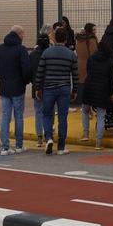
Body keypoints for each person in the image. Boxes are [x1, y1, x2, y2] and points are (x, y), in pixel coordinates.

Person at [34, 27, 78, 155]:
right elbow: (75, 74)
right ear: (65, 39)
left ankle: (48, 138)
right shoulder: (71, 54)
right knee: (63, 117)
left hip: (48, 88)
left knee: (47, 114)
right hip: (64, 88)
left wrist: (38, 88)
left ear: (54, 38)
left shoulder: (47, 53)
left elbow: (40, 72)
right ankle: (61, 147)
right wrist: (74, 90)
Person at [0, 25, 31, 155]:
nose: (24, 37)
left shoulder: (0, 48)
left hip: (5, 87)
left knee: (5, 116)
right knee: (18, 116)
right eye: (23, 34)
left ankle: (5, 147)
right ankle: (19, 145)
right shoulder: (21, 49)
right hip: (18, 87)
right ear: (19, 34)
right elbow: (26, 69)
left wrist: (1, 78)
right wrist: (25, 81)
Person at [80, 32, 113, 148]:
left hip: (89, 87)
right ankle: (98, 142)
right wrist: (112, 93)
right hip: (103, 90)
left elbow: (89, 71)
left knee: (85, 110)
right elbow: (112, 79)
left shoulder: (91, 58)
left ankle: (85, 134)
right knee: (101, 115)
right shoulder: (110, 61)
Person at [27, 27, 51, 147]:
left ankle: (39, 138)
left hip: (37, 87)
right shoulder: (50, 53)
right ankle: (48, 135)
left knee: (38, 112)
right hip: (50, 86)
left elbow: (29, 71)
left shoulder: (32, 55)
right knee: (49, 112)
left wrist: (33, 82)